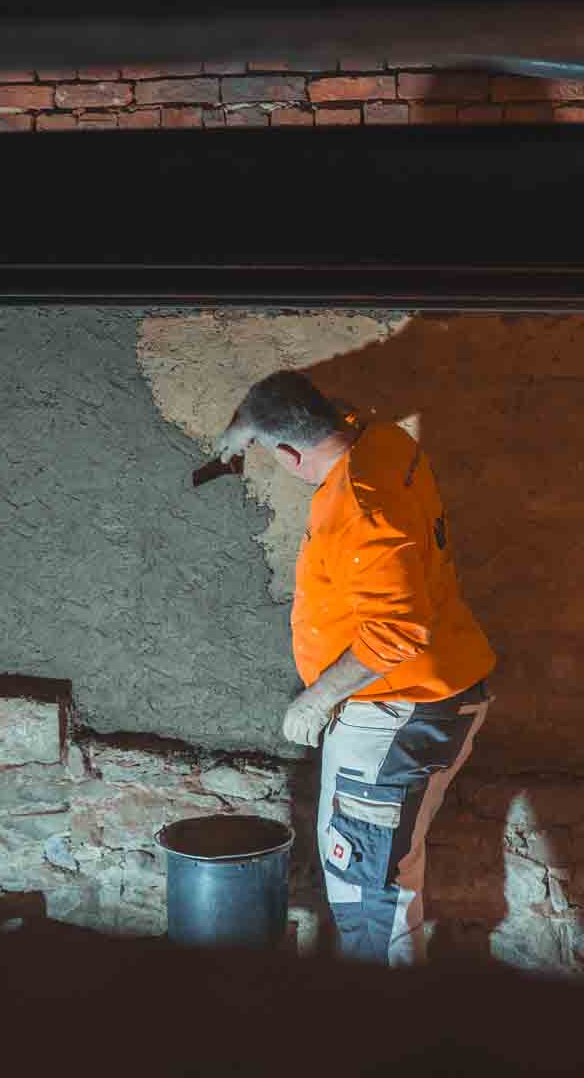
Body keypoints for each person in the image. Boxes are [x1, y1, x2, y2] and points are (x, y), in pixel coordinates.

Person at [215, 370, 496, 966]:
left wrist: (314, 702)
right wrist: (250, 425)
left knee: (368, 888)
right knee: (387, 870)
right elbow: (327, 409)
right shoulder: (386, 442)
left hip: (397, 712)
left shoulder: (361, 509)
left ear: (290, 454)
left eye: (271, 450)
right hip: (437, 689)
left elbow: (396, 631)